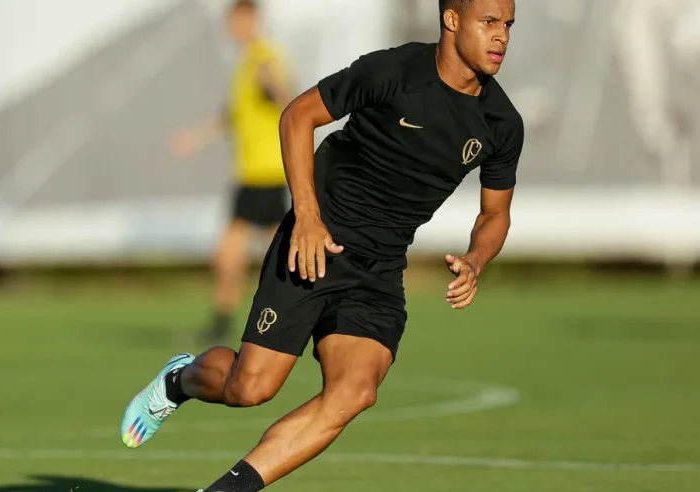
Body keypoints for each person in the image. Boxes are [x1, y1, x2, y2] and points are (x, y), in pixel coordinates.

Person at [122, 0, 524, 490]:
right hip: (314, 244)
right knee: (250, 388)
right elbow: (297, 117)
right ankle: (179, 381)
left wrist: (477, 259)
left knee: (355, 391)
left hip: (378, 271)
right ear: (452, 20)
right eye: (489, 22)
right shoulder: (393, 70)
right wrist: (308, 218)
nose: (501, 36)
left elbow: (494, 214)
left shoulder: (502, 122)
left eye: (507, 24)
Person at [170, 0, 294, 345]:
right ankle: (261, 318)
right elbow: (231, 115)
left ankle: (240, 321)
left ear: (252, 20)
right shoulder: (246, 62)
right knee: (269, 254)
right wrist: (194, 139)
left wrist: (277, 89)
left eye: (237, 21)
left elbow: (282, 94)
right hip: (253, 174)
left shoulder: (264, 56)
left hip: (266, 173)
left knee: (236, 253)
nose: (231, 29)